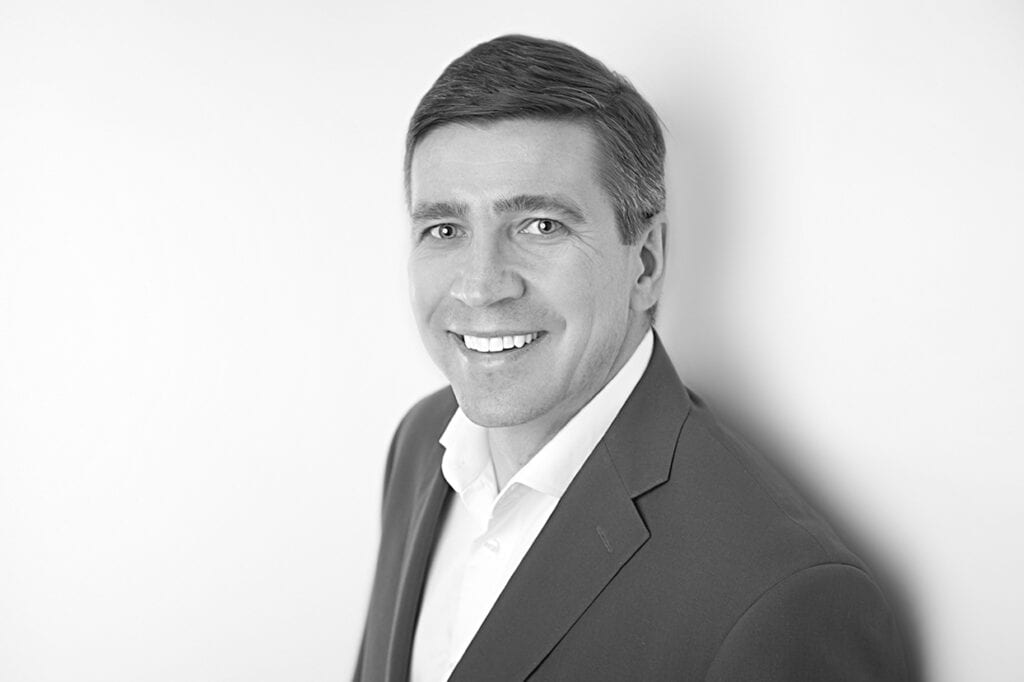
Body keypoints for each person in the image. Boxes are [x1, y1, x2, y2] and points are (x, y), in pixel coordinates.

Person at [354, 34, 907, 681]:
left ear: (645, 264)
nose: (480, 285)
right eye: (444, 230)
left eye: (539, 226)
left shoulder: (783, 597)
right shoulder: (420, 445)